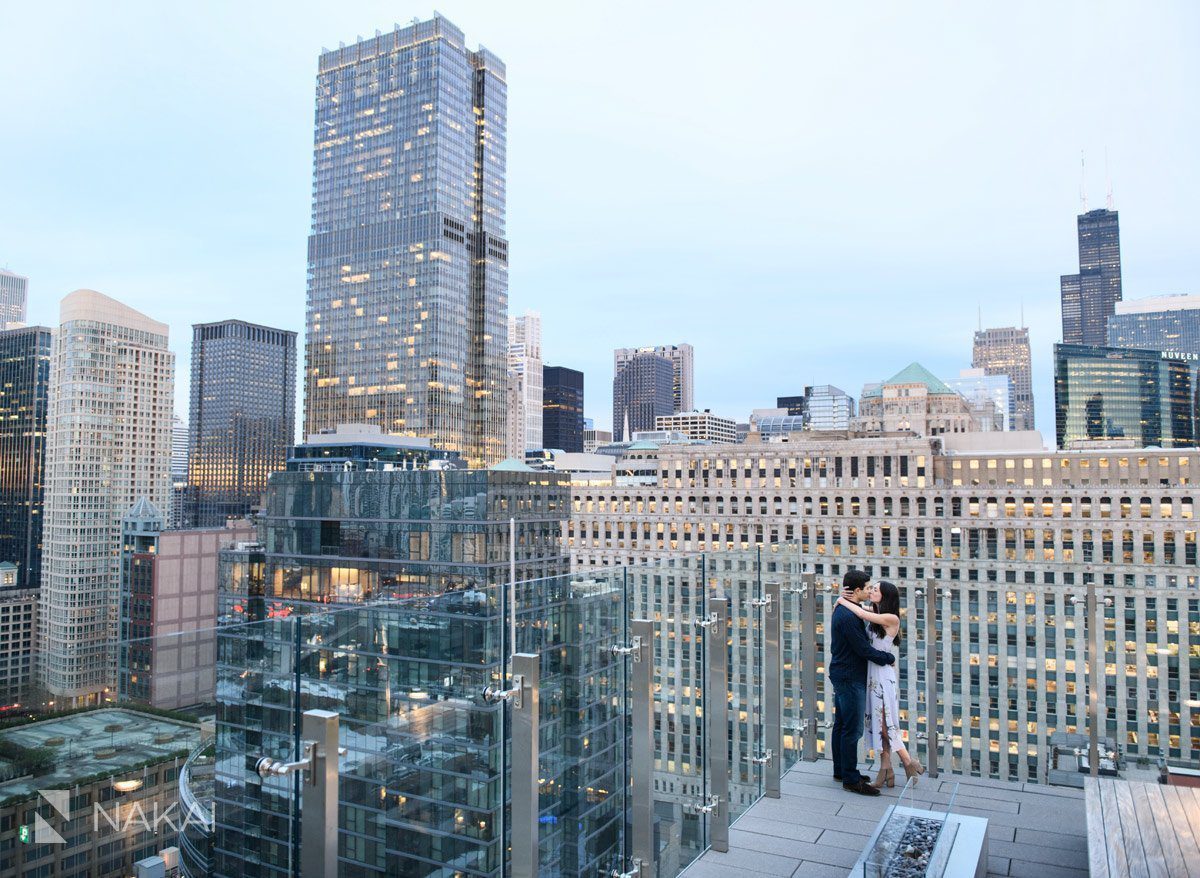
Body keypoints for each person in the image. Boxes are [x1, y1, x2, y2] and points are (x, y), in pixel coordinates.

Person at [837, 580, 926, 788]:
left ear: (885, 596)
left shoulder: (890, 617)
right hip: (873, 674)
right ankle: (886, 769)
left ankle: (908, 761)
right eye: (871, 588)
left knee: (885, 724)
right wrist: (845, 597)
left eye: (875, 590)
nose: (871, 591)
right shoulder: (877, 612)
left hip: (883, 676)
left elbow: (860, 614)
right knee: (878, 723)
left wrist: (841, 600)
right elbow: (859, 608)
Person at [828, 569, 896, 796]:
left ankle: (842, 771)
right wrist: (889, 658)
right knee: (852, 729)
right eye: (867, 588)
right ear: (856, 591)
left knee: (841, 724)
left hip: (843, 673)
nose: (869, 591)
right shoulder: (847, 616)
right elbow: (864, 649)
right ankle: (850, 778)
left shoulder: (848, 610)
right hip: (849, 677)